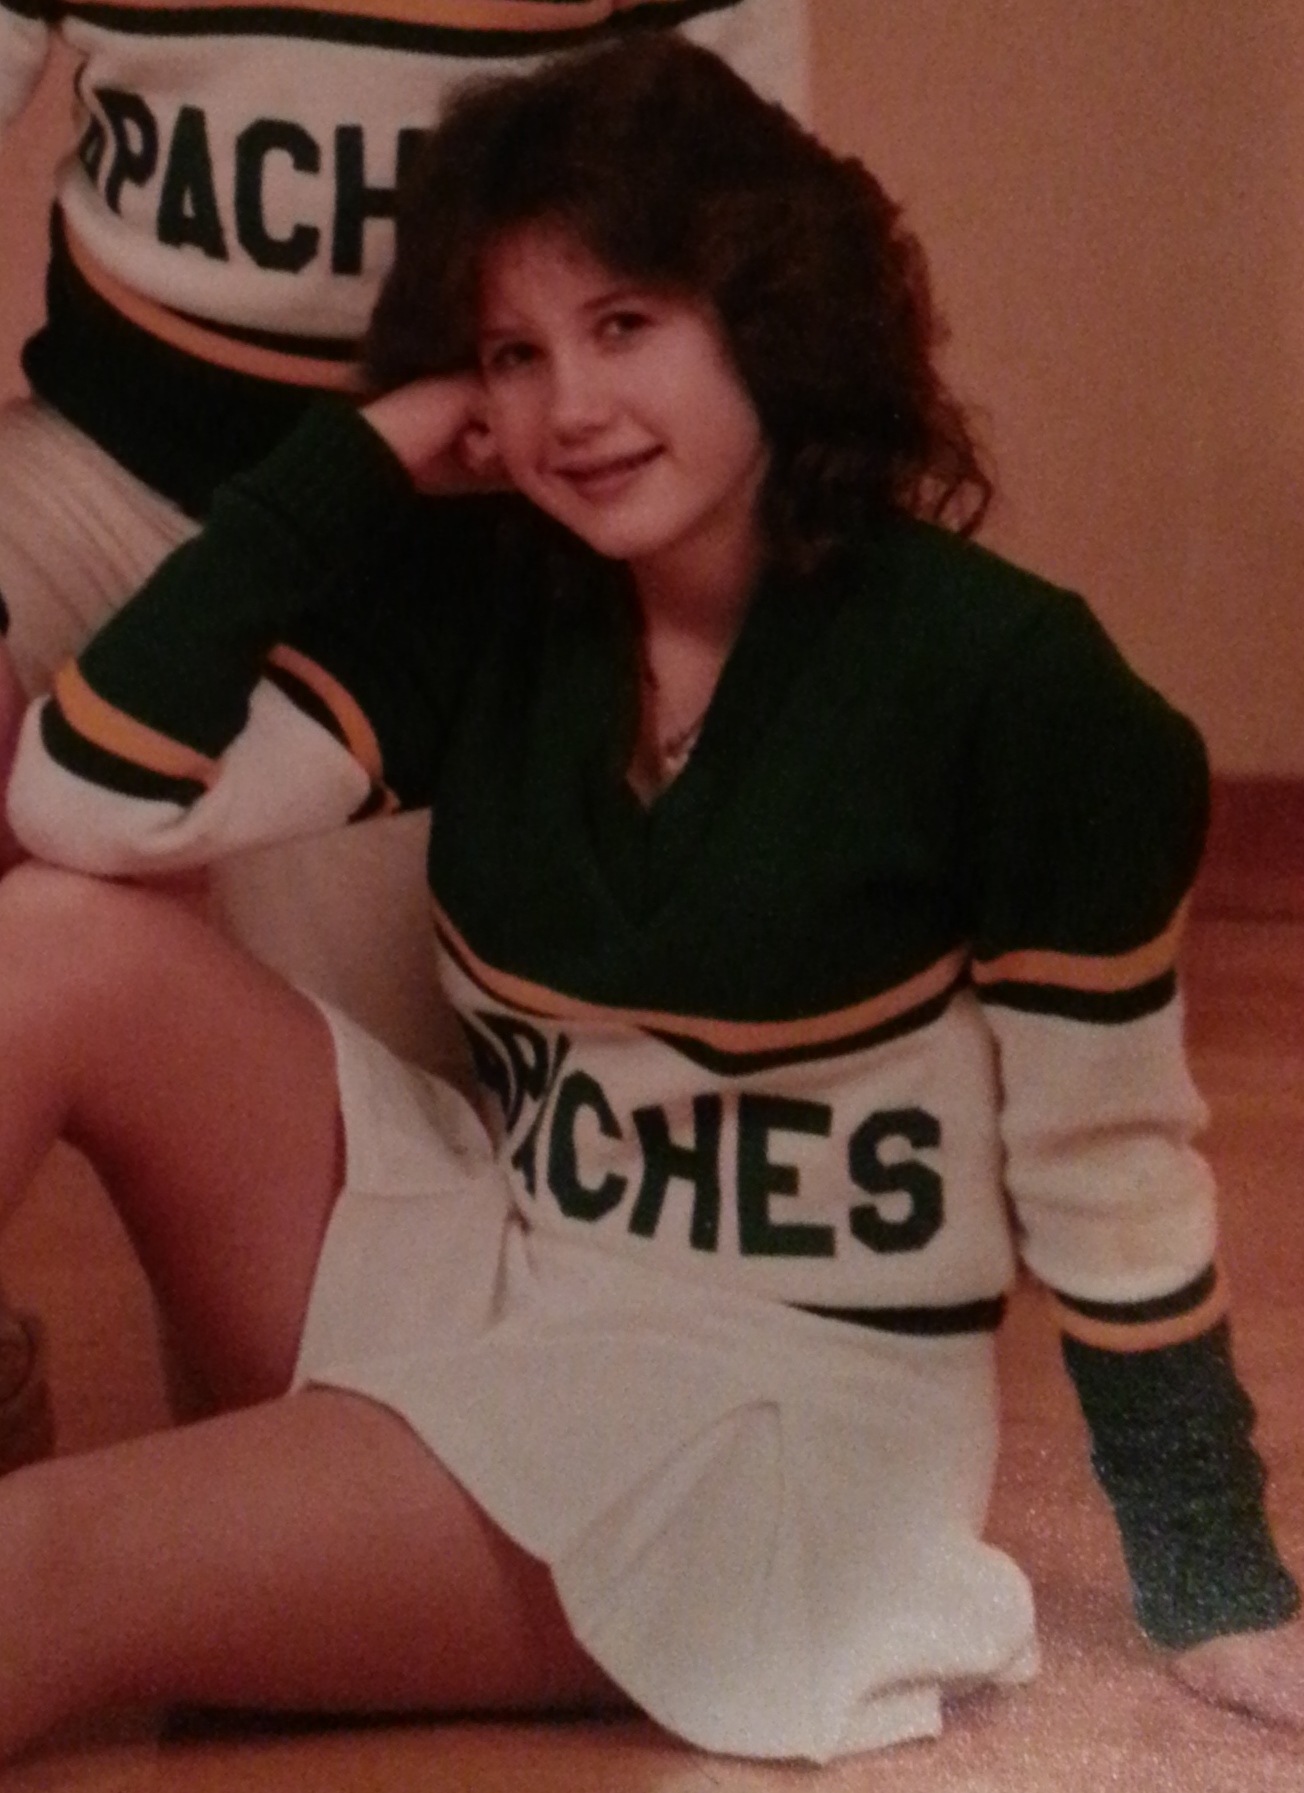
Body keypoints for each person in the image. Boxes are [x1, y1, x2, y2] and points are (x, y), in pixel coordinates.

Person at [1, 32, 1302, 1766]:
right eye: (514, 354)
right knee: (60, 937)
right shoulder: (513, 602)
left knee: (42, 1557)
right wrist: (357, 460)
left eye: (626, 325)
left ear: (770, 312)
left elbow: (1109, 1174)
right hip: (511, 1275)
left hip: (764, 1424)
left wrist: (1214, 1568)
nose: (572, 407)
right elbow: (78, 803)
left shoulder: (1013, 686)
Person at [0, 0, 810, 1470]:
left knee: (331, 1347)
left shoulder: (977, 689)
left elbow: (763, 260)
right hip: (111, 465)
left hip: (442, 542)